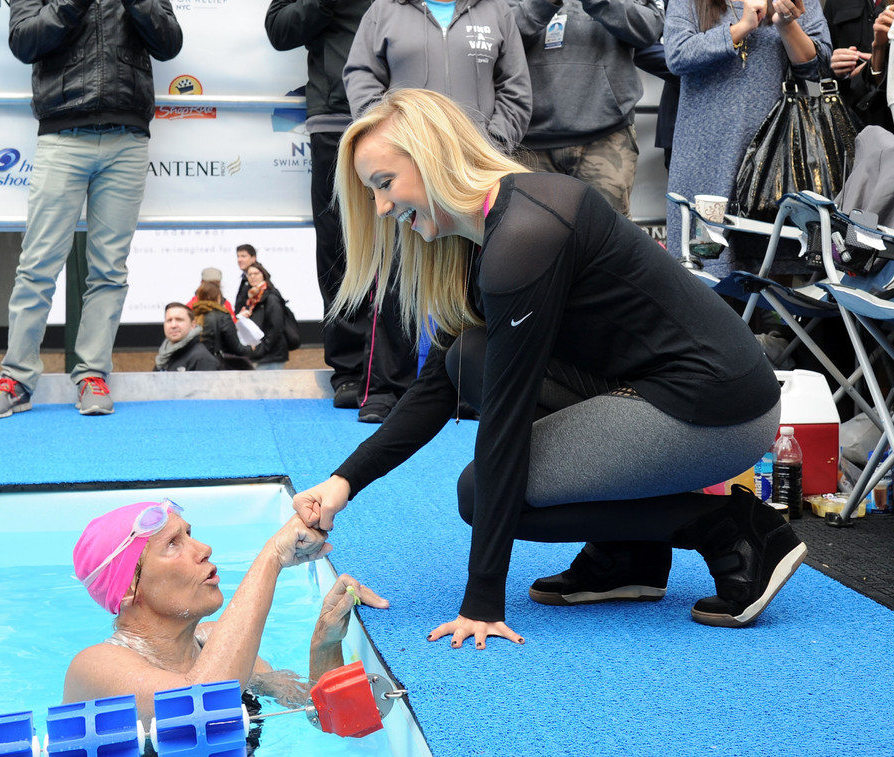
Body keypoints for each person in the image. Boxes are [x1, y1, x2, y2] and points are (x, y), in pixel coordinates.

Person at [292, 89, 807, 651]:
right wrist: (343, 482)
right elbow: (439, 385)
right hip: (652, 389)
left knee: (480, 494)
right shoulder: (478, 234)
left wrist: (482, 602)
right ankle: (632, 553)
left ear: (433, 159)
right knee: (469, 356)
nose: (381, 208)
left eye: (385, 183)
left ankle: (731, 528)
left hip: (719, 411)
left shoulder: (524, 234)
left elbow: (505, 427)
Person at [0, 0, 183, 420]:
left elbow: (169, 43)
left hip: (127, 137)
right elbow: (24, 42)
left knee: (109, 268)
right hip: (61, 134)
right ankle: (16, 378)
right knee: (38, 264)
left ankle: (92, 375)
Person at [64, 499, 387, 731]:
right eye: (173, 543)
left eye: (189, 534)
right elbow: (200, 703)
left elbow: (330, 717)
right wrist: (272, 557)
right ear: (129, 589)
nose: (203, 548)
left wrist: (325, 643)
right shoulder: (95, 666)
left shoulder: (215, 644)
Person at [265, 0, 420, 422]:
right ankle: (350, 370)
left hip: (408, 117)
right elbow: (280, 30)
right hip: (336, 118)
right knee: (339, 247)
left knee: (410, 241)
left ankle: (400, 373)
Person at [663, 0, 831, 276]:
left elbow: (818, 68)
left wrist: (786, 25)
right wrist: (742, 27)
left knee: (771, 273)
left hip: (776, 160)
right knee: (705, 268)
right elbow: (677, 55)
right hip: (707, 161)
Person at [509, 0, 664, 217]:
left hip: (606, 137)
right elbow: (497, 36)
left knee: (607, 234)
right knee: (532, 235)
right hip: (528, 142)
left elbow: (649, 28)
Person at [343, 0, 534, 153]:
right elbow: (362, 78)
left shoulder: (497, 9)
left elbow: (515, 87)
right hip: (409, 158)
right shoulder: (383, 9)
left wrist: (494, 145)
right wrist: (389, 137)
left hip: (480, 162)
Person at [825, 0, 894, 130]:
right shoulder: (835, 3)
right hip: (852, 121)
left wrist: (876, 61)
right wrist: (834, 65)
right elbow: (818, 70)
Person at [191, 276, 253, 370]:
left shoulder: (192, 315)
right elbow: (236, 348)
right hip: (216, 366)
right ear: (218, 297)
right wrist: (251, 349)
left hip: (196, 365)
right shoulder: (222, 316)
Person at [237, 262, 290, 369]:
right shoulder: (251, 298)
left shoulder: (271, 297)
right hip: (260, 353)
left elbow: (276, 327)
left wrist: (262, 348)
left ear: (263, 275)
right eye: (249, 274)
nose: (252, 277)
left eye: (256, 273)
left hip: (272, 354)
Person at [154, 303, 220, 372]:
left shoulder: (203, 359)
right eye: (169, 320)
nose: (173, 325)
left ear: (192, 325)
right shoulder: (164, 356)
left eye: (179, 320)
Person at [234, 244, 257, 315]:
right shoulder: (244, 277)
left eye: (243, 256)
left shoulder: (258, 278)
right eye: (238, 256)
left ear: (253, 258)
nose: (239, 260)